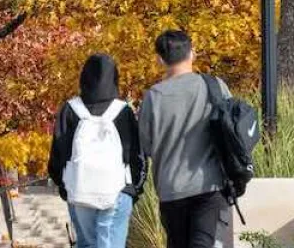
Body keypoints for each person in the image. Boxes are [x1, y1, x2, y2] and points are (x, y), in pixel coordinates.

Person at [138, 30, 233, 248]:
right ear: (193, 53)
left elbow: (146, 145)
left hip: (171, 189)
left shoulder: (154, 97)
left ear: (160, 60)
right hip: (210, 185)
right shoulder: (215, 86)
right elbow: (232, 130)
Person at [48, 54, 144, 248]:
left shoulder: (70, 109)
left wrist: (65, 185)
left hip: (79, 191)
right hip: (117, 191)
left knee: (86, 244)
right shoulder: (122, 111)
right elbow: (136, 154)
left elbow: (58, 155)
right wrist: (134, 188)